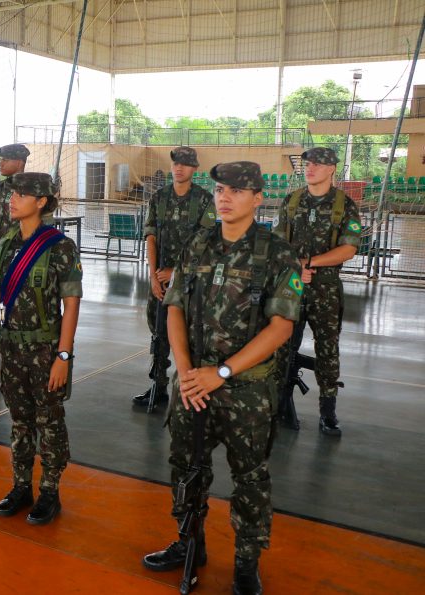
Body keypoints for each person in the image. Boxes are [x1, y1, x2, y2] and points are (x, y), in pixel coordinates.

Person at [142, 162, 302, 595]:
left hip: (246, 391)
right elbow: (173, 306)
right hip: (193, 384)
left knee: (249, 479)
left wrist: (223, 372)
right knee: (185, 469)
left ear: (258, 197)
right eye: (219, 189)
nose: (224, 196)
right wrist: (186, 370)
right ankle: (189, 541)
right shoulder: (198, 245)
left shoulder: (277, 253)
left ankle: (247, 564)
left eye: (236, 189)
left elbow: (281, 327)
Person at [0, 172, 82, 526]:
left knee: (49, 422)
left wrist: (63, 357)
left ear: (41, 202)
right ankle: (21, 486)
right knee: (20, 422)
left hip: (45, 349)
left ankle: (50, 491)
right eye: (13, 193)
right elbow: (1, 292)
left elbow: (72, 304)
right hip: (10, 346)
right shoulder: (8, 242)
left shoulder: (59, 246)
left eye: (21, 194)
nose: (12, 199)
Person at [273, 147, 360, 437]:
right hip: (293, 285)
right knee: (282, 344)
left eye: (317, 164)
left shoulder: (344, 205)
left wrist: (309, 263)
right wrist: (294, 267)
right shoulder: (292, 201)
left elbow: (348, 248)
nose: (310, 168)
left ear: (332, 168)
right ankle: (279, 402)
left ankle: (328, 412)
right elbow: (277, 243)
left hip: (326, 289)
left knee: (327, 350)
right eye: (307, 164)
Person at [131, 146, 215, 407]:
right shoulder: (159, 197)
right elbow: (151, 237)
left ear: (194, 169)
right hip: (161, 280)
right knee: (158, 333)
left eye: (185, 164)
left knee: (192, 336)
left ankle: (191, 387)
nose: (179, 168)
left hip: (191, 281)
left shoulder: (203, 200)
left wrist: (176, 273)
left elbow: (207, 245)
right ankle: (158, 386)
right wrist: (154, 277)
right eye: (176, 163)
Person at [0, 143, 29, 375]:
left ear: (19, 162)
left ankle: (16, 356)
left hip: (18, 260)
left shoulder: (30, 189)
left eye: (5, 159)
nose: (0, 163)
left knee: (16, 307)